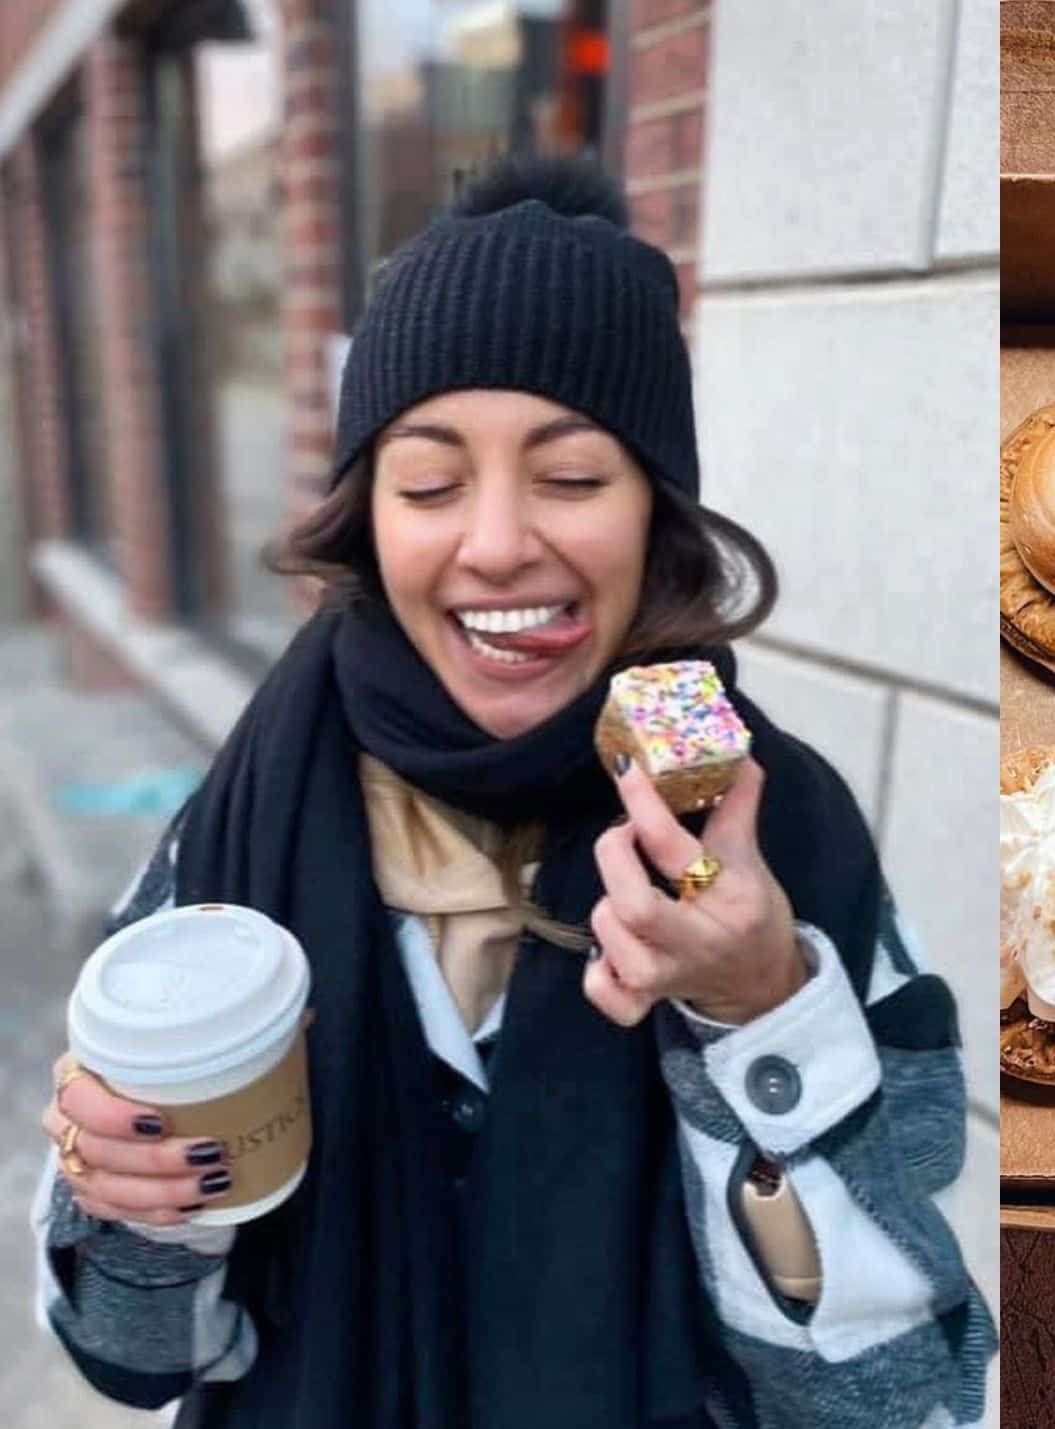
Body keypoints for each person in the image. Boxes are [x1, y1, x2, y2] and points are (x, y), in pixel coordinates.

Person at [27, 156, 993, 1429]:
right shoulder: (250, 810)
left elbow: (891, 1391)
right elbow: (134, 1356)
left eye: (573, 477)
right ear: (367, 516)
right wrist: (135, 1206)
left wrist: (758, 1013)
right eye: (429, 483)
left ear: (654, 511)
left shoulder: (779, 830)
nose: (493, 545)